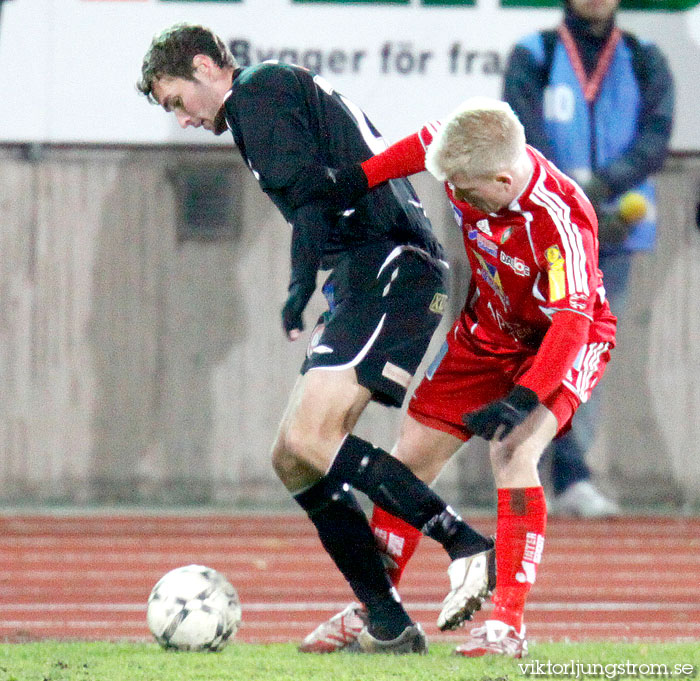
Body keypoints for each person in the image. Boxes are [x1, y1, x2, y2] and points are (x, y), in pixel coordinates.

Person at [137, 24, 496, 655]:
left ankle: (465, 544)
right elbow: (316, 193)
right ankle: (386, 620)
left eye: (174, 101)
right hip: (368, 270)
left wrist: (299, 285)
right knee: (293, 456)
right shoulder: (263, 98)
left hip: (389, 263)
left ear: (202, 65)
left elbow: (309, 200)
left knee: (310, 439)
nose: (182, 119)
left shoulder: (258, 93)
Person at [299, 96, 617, 657]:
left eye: (466, 192)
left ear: (501, 177)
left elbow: (572, 320)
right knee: (409, 458)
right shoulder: (464, 147)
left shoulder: (562, 217)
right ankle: (381, 612)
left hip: (562, 343)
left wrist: (523, 398)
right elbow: (420, 146)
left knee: (513, 452)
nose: (458, 199)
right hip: (485, 334)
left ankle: (507, 627)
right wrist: (354, 181)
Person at [502, 0, 674, 517]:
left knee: (583, 353)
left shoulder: (645, 57)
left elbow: (655, 139)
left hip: (617, 227)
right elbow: (521, 137)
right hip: (552, 226)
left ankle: (563, 471)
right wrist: (574, 198)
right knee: (551, 348)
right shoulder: (536, 53)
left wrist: (601, 190)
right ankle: (546, 470)